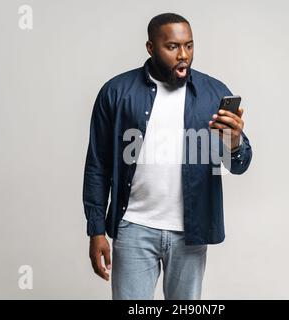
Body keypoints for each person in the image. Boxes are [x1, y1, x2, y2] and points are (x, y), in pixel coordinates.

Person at [83, 12, 252, 300]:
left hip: (190, 231)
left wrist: (234, 144)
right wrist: (96, 229)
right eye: (172, 47)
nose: (183, 55)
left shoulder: (214, 93)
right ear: (151, 48)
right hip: (133, 226)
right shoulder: (116, 92)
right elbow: (97, 166)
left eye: (189, 45)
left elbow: (238, 165)